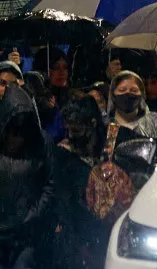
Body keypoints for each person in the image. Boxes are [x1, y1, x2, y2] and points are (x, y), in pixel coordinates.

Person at [37, 96, 110, 268]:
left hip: (106, 226)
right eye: (68, 130)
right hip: (77, 230)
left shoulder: (110, 145)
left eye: (76, 131)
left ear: (92, 123)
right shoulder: (62, 155)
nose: (70, 136)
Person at [0, 84, 48, 267]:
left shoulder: (40, 145)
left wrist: (32, 214)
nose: (16, 138)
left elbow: (49, 185)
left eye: (22, 131)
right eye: (13, 130)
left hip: (26, 233)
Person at [108, 70, 157, 140]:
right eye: (122, 90)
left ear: (142, 95)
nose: (128, 93)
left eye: (134, 90)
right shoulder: (104, 129)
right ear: (112, 95)